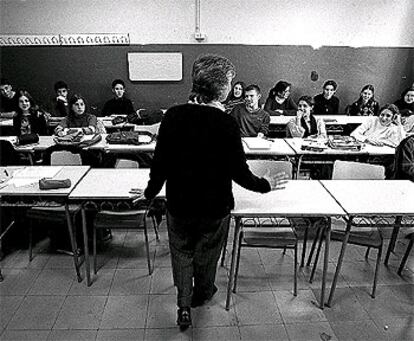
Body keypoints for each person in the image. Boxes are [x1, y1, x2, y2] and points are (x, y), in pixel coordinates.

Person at [138, 54, 288, 330]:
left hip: (180, 204)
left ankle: (183, 305)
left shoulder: (173, 116)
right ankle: (202, 293)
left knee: (180, 253)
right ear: (222, 88)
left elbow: (160, 165)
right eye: (230, 81)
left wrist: (149, 194)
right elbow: (240, 174)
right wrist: (265, 183)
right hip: (215, 208)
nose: (232, 86)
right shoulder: (226, 123)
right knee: (206, 256)